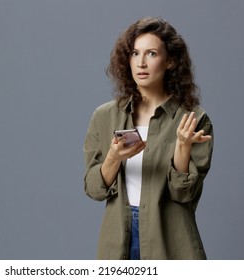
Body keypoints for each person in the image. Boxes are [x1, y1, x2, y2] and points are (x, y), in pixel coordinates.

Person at [83, 17, 214, 260]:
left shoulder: (193, 119)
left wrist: (183, 147)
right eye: (134, 53)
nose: (141, 63)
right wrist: (113, 157)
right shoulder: (105, 116)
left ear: (171, 61)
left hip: (171, 240)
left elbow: (184, 195)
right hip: (118, 239)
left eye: (151, 53)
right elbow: (93, 189)